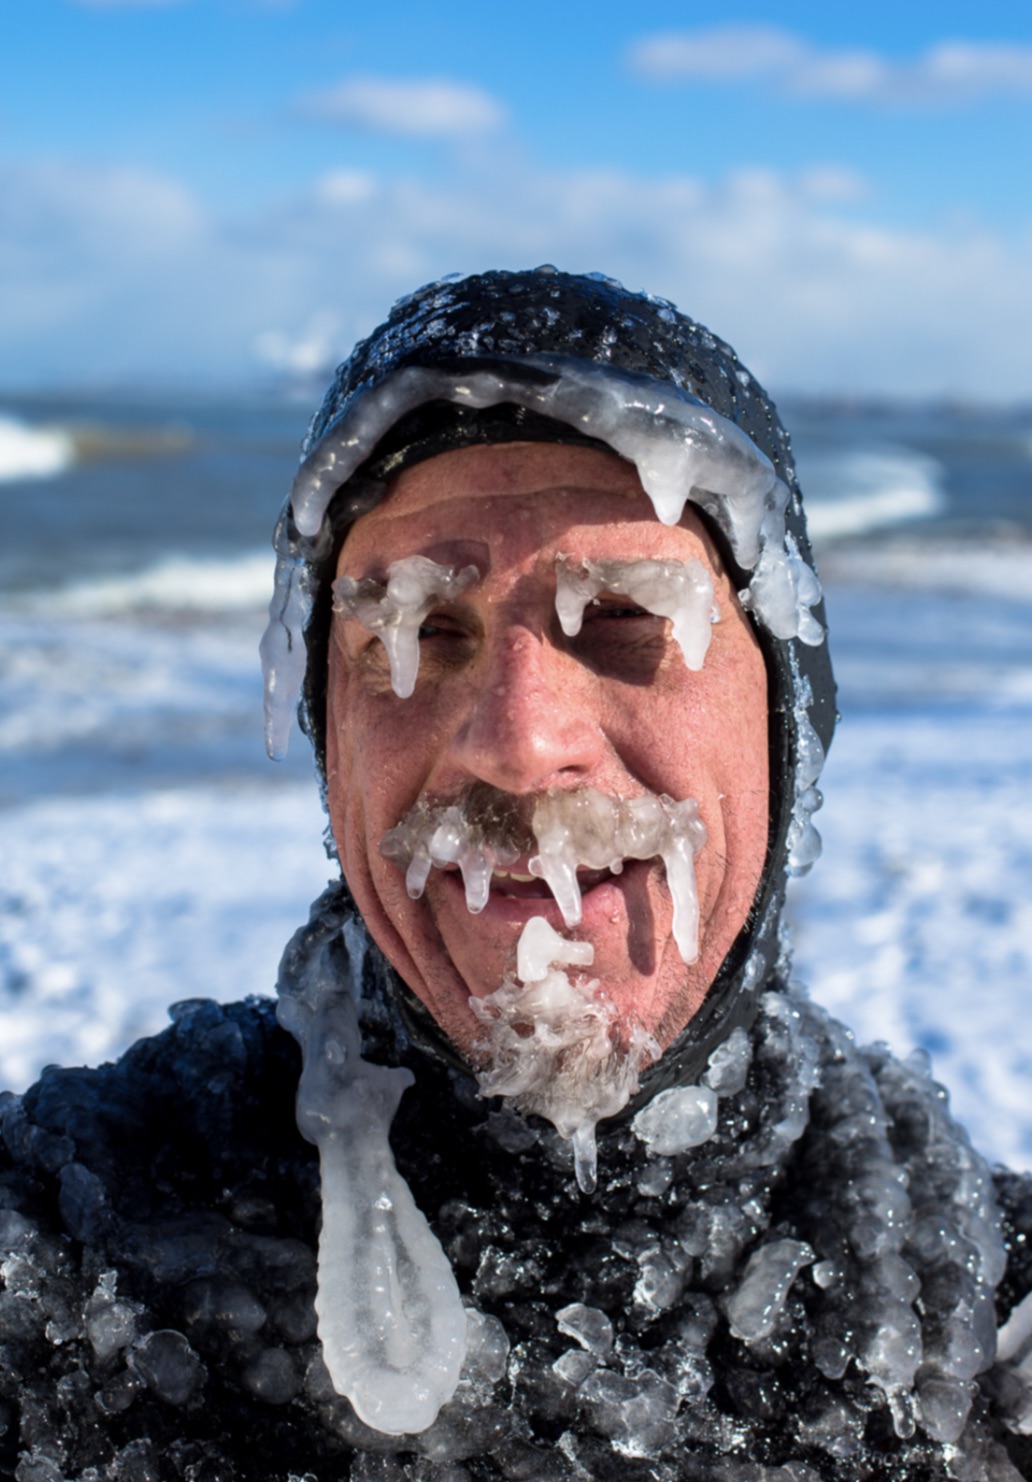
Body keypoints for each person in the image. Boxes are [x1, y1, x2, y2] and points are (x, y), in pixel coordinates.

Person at [2, 268, 1032, 1482]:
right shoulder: (79, 1244)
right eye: (418, 636)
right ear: (331, 738)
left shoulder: (981, 1324)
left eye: (628, 626)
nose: (519, 740)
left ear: (788, 721)